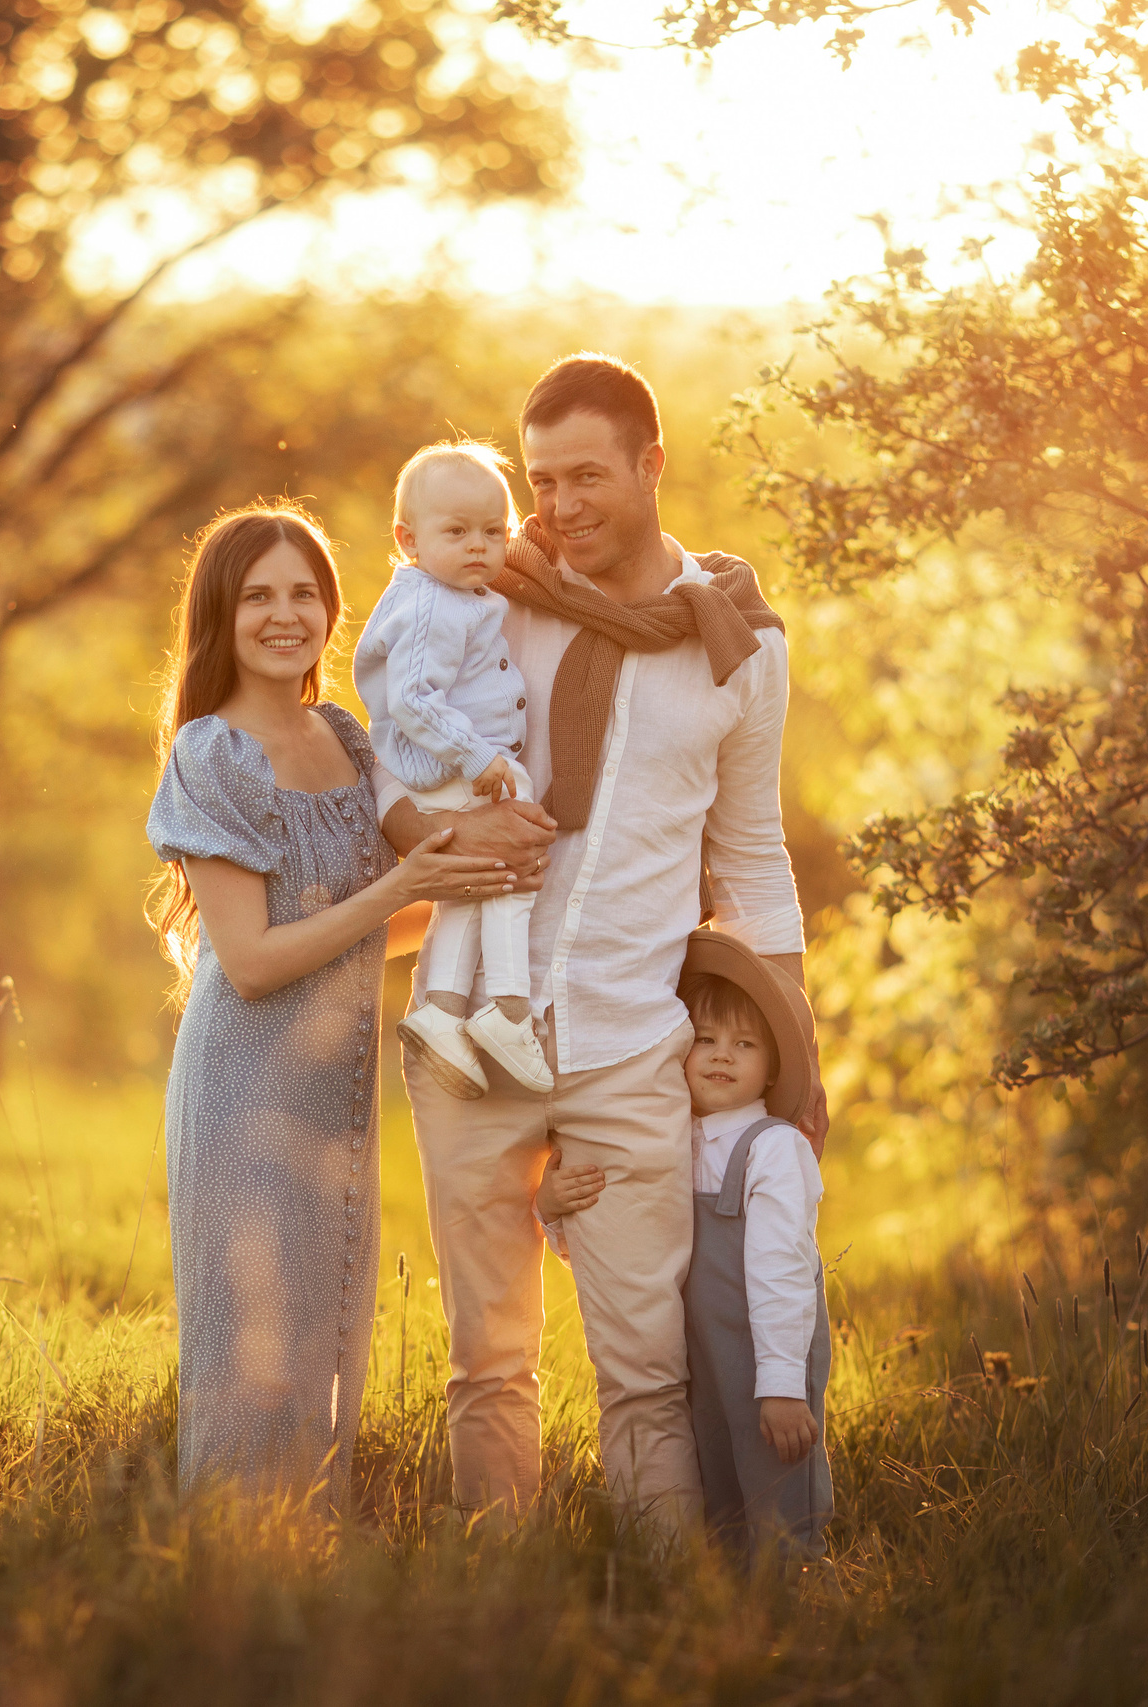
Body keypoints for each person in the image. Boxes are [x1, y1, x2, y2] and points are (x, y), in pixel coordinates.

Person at [377, 352, 828, 1533]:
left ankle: (675, 1621)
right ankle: (502, 1611)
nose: (558, 507)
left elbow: (751, 856)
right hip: (474, 1037)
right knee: (488, 1365)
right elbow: (397, 764)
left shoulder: (738, 649)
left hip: (633, 1051)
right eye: (539, 480)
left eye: (585, 476)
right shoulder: (494, 601)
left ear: (650, 465)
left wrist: (795, 1050)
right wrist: (450, 824)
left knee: (645, 1373)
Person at [144, 503, 581, 1505]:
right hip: (242, 1094)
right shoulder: (211, 755)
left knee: (327, 1346)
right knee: (252, 1359)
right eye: (258, 596)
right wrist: (399, 889)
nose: (284, 614)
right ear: (220, 614)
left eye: (304, 593)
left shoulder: (343, 734)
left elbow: (387, 923)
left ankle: (310, 1569)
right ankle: (229, 1571)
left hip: (335, 1107)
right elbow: (250, 960)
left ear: (334, 610)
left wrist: (496, 877)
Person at [351, 442, 551, 1100]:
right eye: (457, 531)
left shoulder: (448, 595)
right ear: (408, 539)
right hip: (459, 765)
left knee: (470, 886)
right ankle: (510, 1009)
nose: (479, 546)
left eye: (495, 531)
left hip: (458, 763)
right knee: (513, 864)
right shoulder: (433, 603)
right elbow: (411, 699)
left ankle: (441, 1009)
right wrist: (481, 757)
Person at [670, 935, 832, 1560]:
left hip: (767, 1347)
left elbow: (782, 1271)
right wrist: (553, 1208)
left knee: (776, 1467)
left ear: (772, 1065)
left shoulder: (772, 1148)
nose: (721, 1056)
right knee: (714, 1465)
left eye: (744, 1044)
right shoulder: (674, 1140)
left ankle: (795, 1588)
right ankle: (728, 1595)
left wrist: (783, 1382)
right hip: (699, 1349)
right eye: (705, 1040)